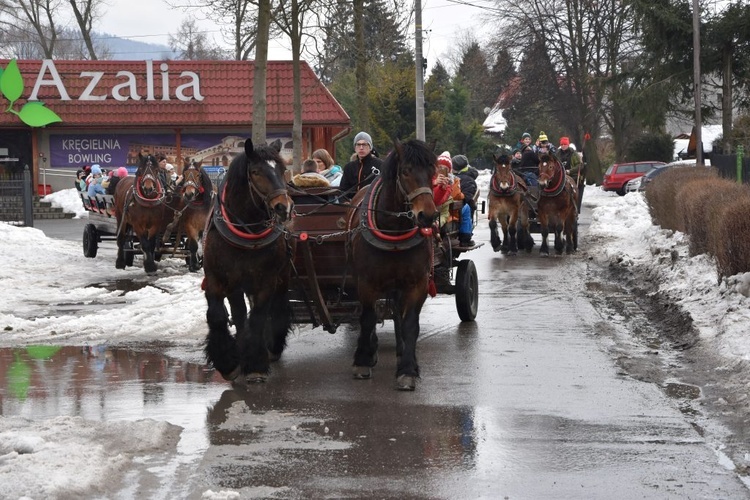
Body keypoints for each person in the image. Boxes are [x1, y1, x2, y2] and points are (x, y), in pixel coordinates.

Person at [451, 154, 478, 247]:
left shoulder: (467, 179)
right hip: (451, 206)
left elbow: (467, 197)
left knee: (466, 209)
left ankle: (465, 238)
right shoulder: (453, 176)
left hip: (458, 207)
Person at [557, 136, 585, 210]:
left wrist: (570, 171)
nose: (563, 146)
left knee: (573, 187)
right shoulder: (557, 154)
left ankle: (573, 202)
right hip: (560, 175)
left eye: (565, 144)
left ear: (568, 145)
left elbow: (580, 165)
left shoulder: (574, 154)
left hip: (572, 175)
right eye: (562, 144)